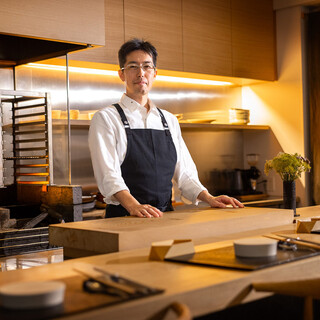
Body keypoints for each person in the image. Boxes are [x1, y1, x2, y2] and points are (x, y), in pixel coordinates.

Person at [88, 38, 244, 218]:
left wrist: (209, 198)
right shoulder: (106, 118)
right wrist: (134, 206)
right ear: (121, 74)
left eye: (147, 66)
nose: (141, 73)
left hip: (164, 217)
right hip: (124, 217)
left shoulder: (169, 120)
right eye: (133, 66)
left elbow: (184, 173)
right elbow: (108, 175)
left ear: (154, 73)